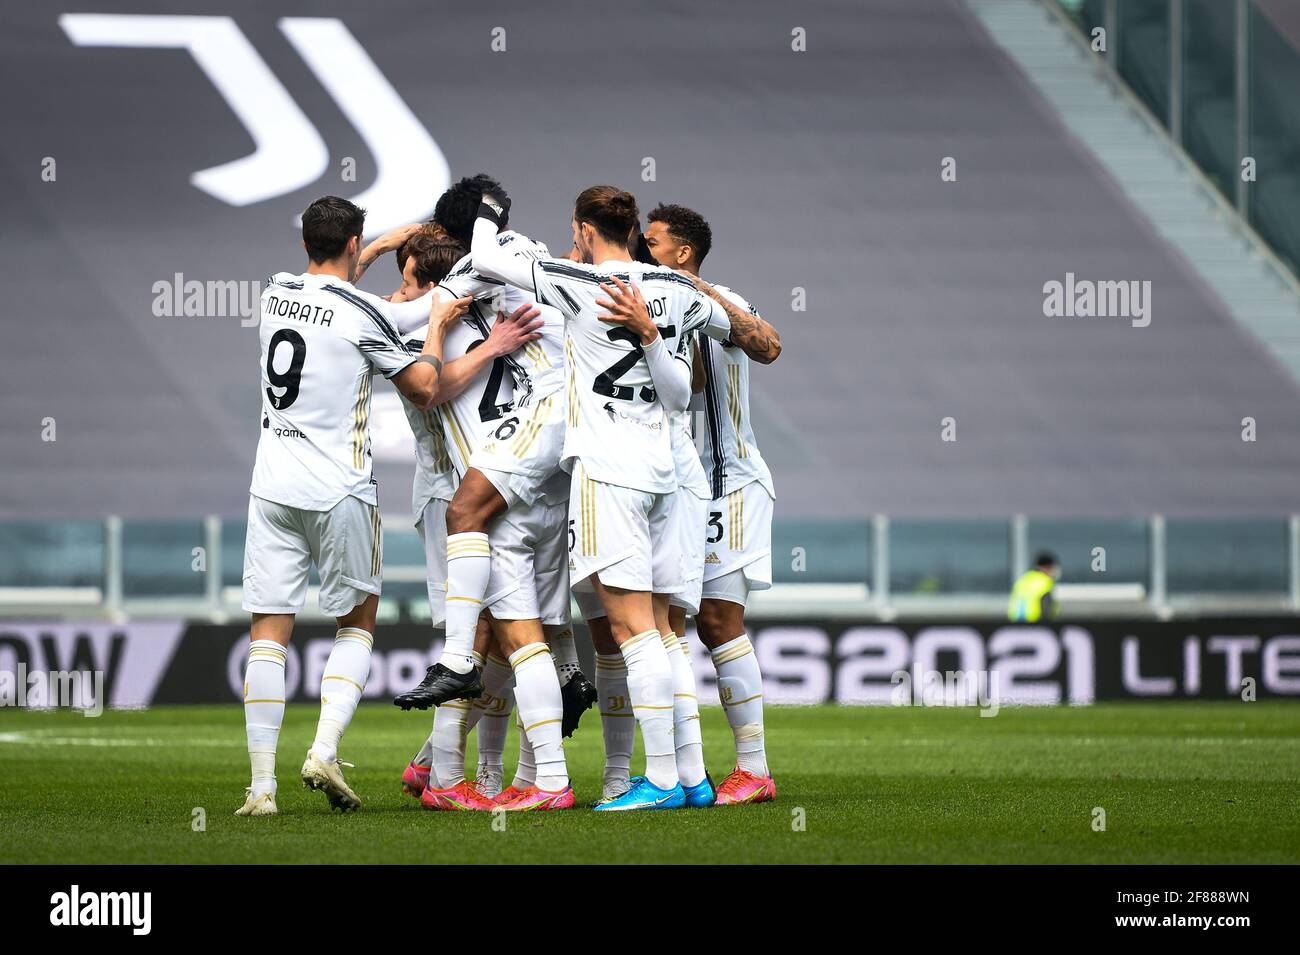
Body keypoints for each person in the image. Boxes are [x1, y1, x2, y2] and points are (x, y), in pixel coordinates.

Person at [469, 185, 737, 810]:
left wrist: (486, 206)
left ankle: (662, 782)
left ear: (586, 232)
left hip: (608, 470)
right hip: (665, 472)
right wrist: (654, 330)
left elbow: (483, 256)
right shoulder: (675, 289)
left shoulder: (571, 278)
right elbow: (691, 380)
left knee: (630, 627)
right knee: (664, 630)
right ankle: (693, 776)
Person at [236, 196, 466, 817]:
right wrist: (440, 323)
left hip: (271, 486)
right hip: (340, 489)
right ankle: (324, 749)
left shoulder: (274, 293)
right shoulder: (363, 314)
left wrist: (379, 244)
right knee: (356, 625)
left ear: (305, 241)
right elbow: (422, 388)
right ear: (353, 239)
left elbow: (333, 281)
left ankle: (261, 789)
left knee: (267, 637)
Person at [641, 203, 782, 805]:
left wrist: (690, 290)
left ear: (683, 252)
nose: (643, 250)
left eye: (653, 243)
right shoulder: (646, 296)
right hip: (674, 483)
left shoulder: (715, 298)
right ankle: (677, 774)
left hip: (730, 483)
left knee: (718, 622)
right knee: (663, 623)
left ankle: (753, 767)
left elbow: (768, 345)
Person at [1008, 552, 1061, 622]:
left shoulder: (1023, 579)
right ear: (1047, 567)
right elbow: (1046, 608)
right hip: (1035, 624)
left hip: (1014, 624)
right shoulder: (1045, 581)